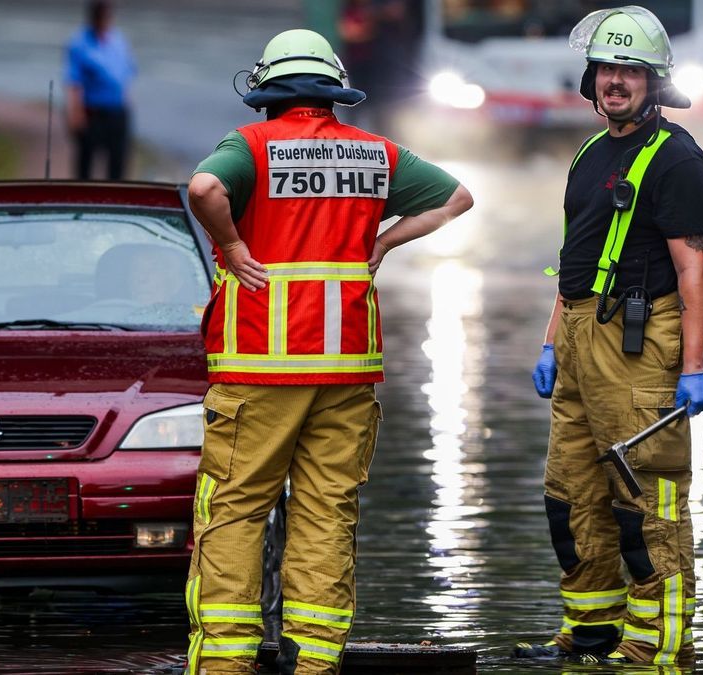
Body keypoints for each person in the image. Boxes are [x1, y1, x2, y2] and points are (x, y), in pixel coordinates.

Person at [185, 29, 473, 674]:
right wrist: (385, 243)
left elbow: (205, 190)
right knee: (326, 511)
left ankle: (226, 665)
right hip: (345, 365)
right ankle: (316, 664)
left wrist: (231, 246)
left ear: (268, 92)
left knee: (235, 509)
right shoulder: (375, 153)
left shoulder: (251, 146)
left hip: (259, 363)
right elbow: (457, 197)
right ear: (334, 90)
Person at [517, 5, 703, 667]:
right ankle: (593, 632)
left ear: (654, 81)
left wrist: (693, 365)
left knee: (645, 504)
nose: (615, 81)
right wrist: (551, 342)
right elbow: (575, 259)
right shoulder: (590, 151)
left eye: (629, 70)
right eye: (606, 67)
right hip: (579, 337)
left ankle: (660, 644)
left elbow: (693, 270)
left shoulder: (679, 160)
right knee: (570, 495)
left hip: (638, 347)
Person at [63, 0, 137, 181]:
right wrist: (75, 113)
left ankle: (116, 199)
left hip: (117, 111)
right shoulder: (80, 43)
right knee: (86, 162)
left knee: (118, 162)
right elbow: (74, 81)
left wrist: (127, 103)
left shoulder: (118, 39)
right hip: (92, 111)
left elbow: (125, 75)